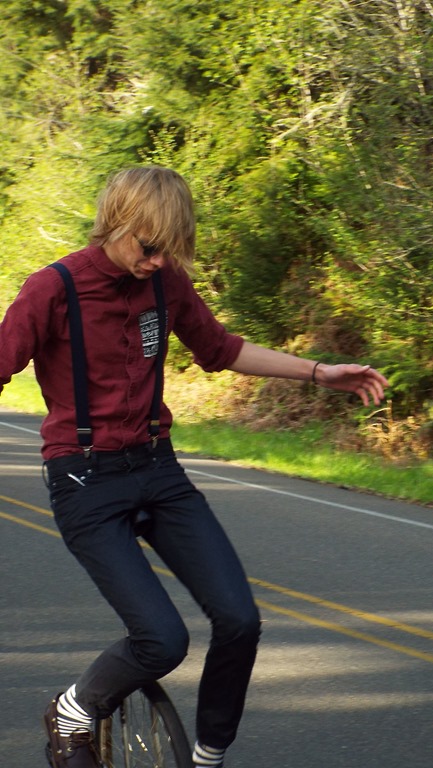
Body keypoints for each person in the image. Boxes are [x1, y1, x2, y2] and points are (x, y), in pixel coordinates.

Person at [0, 166, 389, 768]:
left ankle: (208, 754)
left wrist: (319, 372)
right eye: (148, 247)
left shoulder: (166, 283)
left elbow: (221, 349)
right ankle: (75, 709)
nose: (158, 261)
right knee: (162, 640)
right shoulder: (53, 288)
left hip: (158, 468)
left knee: (240, 619)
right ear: (116, 221)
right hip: (84, 479)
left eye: (169, 250)